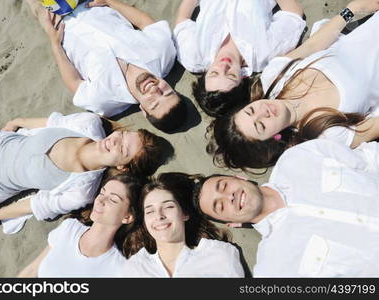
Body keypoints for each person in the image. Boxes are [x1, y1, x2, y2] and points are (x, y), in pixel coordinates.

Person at [208, 0, 379, 171]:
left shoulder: (274, 78)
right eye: (260, 125)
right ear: (274, 139)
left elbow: (314, 44)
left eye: (251, 110)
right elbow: (373, 126)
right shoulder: (325, 136)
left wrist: (353, 8)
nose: (263, 112)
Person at [195, 138, 379, 277]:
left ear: (239, 177)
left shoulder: (298, 158)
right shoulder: (272, 270)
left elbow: (371, 158)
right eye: (220, 206)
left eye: (224, 185)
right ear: (231, 223)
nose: (229, 196)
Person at [0, 111, 170, 234]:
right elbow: (52, 122)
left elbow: (39, 205)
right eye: (123, 135)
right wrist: (17, 121)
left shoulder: (82, 190)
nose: (115, 140)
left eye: (123, 149)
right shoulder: (88, 124)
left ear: (122, 167)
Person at [26, 0, 187, 133]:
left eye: (154, 103)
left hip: (57, 21)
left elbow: (74, 83)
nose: (155, 90)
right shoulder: (164, 54)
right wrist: (110, 2)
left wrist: (54, 42)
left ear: (144, 110)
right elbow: (146, 23)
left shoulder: (106, 100)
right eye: (166, 92)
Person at [174, 0, 306, 117]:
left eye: (214, 73)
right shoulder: (264, 52)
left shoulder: (193, 56)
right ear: (242, 79)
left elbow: (182, 19)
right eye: (231, 75)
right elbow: (293, 13)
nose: (224, 66)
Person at [121, 172, 245, 278]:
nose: (159, 216)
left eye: (168, 206)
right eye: (150, 211)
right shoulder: (134, 269)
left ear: (184, 214)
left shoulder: (219, 254)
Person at [18, 174, 142, 277]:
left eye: (113, 200)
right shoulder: (69, 228)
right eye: (102, 193)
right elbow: (32, 270)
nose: (100, 200)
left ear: (127, 217)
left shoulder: (118, 269)